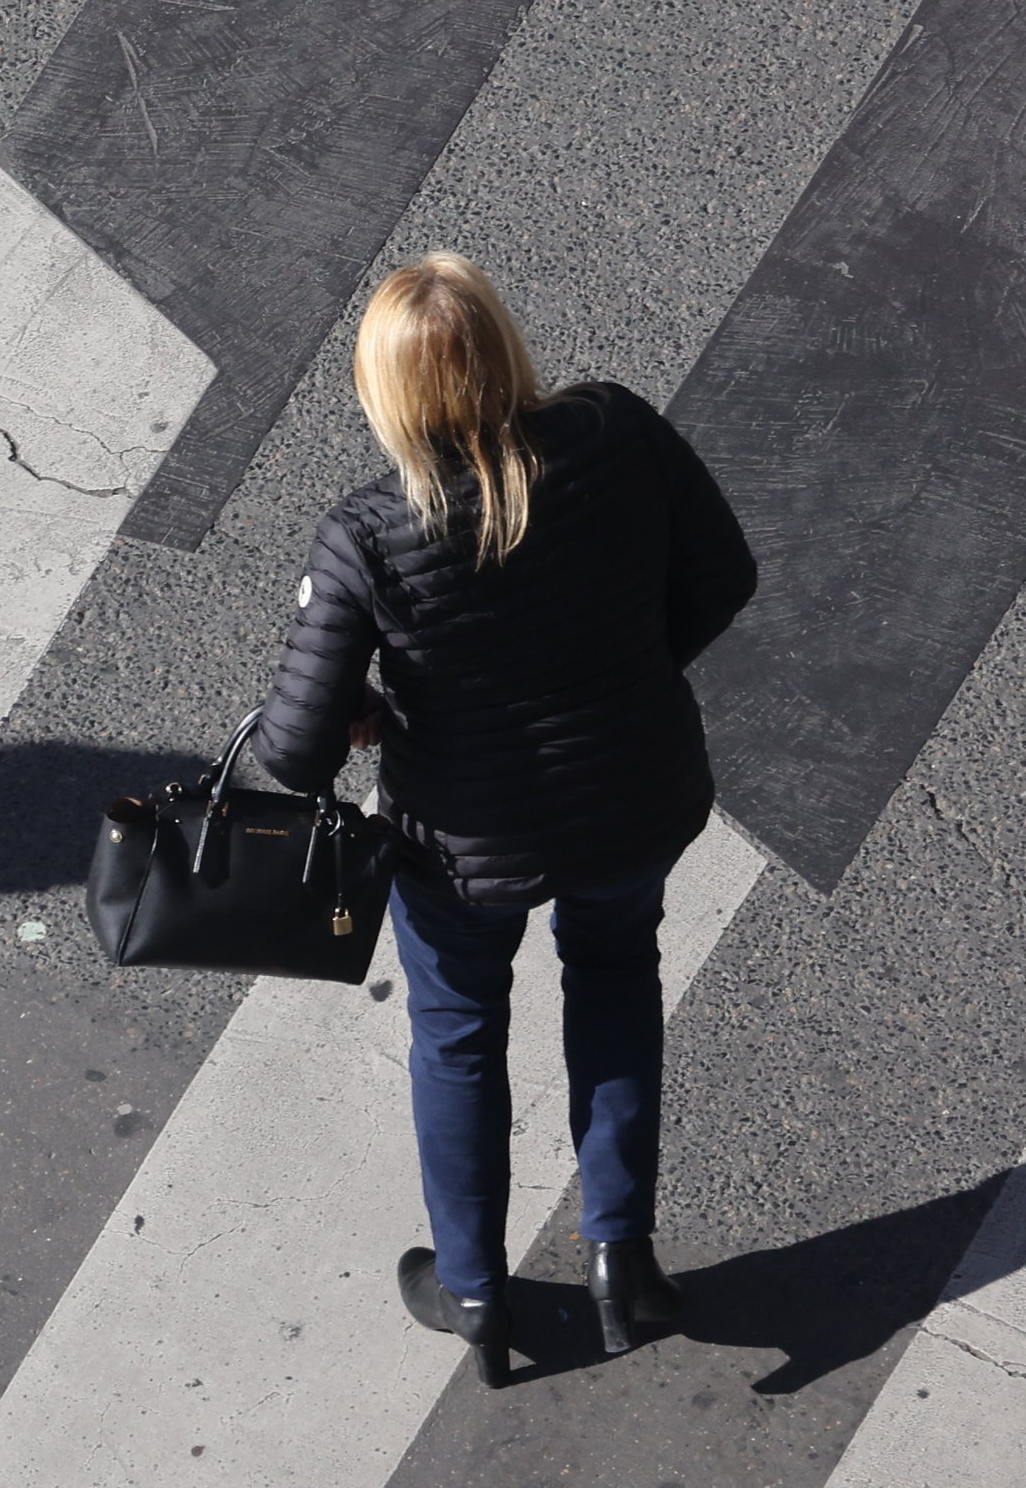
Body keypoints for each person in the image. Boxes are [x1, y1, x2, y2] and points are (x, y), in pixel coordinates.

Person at [248, 251, 758, 1384]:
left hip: (462, 842)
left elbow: (290, 750)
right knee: (617, 978)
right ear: (502, 348)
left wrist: (378, 717)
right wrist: (623, 678)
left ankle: (473, 1289)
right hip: (632, 796)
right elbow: (721, 574)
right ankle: (620, 1259)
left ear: (384, 393)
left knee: (459, 1031)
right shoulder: (614, 432)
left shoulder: (367, 535)